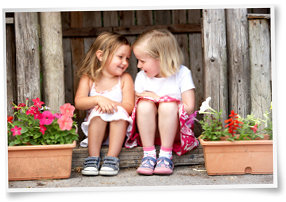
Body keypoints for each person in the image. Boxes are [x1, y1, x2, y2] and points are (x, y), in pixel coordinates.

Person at [125, 29, 199, 175]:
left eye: (142, 61)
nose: (139, 65)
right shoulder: (141, 77)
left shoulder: (182, 74)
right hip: (149, 133)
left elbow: (189, 107)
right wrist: (147, 99)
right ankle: (149, 155)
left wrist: (159, 100)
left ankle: (165, 156)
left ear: (160, 58)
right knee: (144, 104)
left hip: (175, 132)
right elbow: (135, 108)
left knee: (168, 105)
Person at [75, 32, 135, 176]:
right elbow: (79, 102)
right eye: (120, 57)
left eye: (127, 58)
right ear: (101, 56)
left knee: (119, 113)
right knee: (98, 112)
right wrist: (98, 100)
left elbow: (129, 106)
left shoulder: (125, 79)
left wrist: (111, 104)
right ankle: (93, 157)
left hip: (118, 133)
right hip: (95, 132)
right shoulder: (89, 77)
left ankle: (112, 159)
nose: (125, 62)